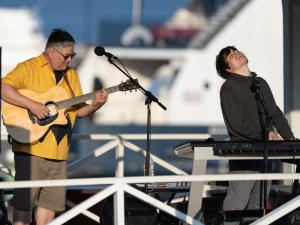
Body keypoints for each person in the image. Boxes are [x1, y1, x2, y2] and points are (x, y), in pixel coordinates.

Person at [1, 28, 108, 225]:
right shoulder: (28, 68)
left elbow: (77, 111)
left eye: (72, 56)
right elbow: (4, 88)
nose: (70, 60)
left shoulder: (72, 76)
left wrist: (95, 105)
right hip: (31, 149)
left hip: (60, 152)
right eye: (67, 56)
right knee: (24, 206)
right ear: (51, 52)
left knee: (49, 207)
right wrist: (33, 105)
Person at [215, 46, 295, 224]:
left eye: (235, 50)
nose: (235, 53)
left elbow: (274, 113)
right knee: (237, 201)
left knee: (258, 205)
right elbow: (236, 125)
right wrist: (266, 135)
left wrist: (290, 140)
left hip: (266, 151)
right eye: (229, 55)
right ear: (227, 68)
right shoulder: (228, 88)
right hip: (245, 153)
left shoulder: (260, 83)